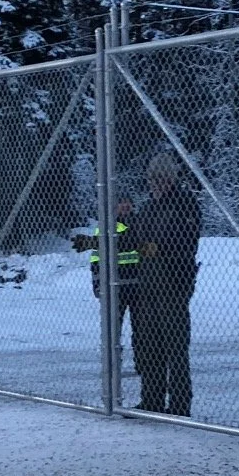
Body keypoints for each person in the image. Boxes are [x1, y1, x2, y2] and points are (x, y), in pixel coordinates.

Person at [131, 151, 200, 416]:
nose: (155, 184)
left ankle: (180, 404)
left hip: (173, 281)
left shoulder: (184, 203)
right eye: (152, 179)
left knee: (175, 347)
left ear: (171, 179)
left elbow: (186, 240)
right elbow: (136, 239)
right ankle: (152, 399)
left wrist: (154, 248)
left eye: (161, 179)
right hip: (147, 283)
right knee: (150, 345)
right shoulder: (148, 208)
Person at [84, 196, 140, 371]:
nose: (125, 206)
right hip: (114, 286)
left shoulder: (142, 224)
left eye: (127, 203)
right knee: (112, 328)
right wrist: (98, 284)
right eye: (121, 203)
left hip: (139, 285)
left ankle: (144, 363)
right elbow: (96, 258)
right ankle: (113, 364)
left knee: (142, 328)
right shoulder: (106, 227)